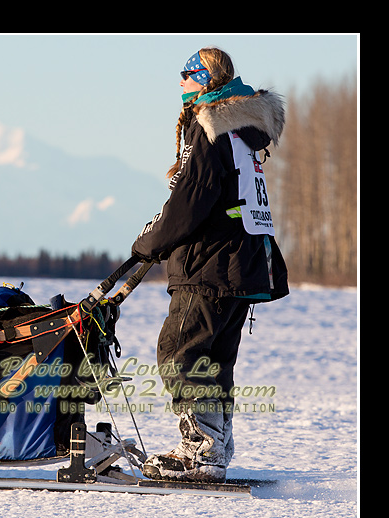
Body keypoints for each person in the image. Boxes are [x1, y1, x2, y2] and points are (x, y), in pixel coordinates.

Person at [131, 47, 288, 483]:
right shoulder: (243, 129)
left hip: (210, 265)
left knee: (178, 353)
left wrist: (149, 242)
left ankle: (200, 451)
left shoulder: (210, 125)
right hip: (244, 262)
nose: (181, 81)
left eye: (187, 72)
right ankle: (214, 447)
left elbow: (191, 200)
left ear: (205, 78)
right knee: (213, 362)